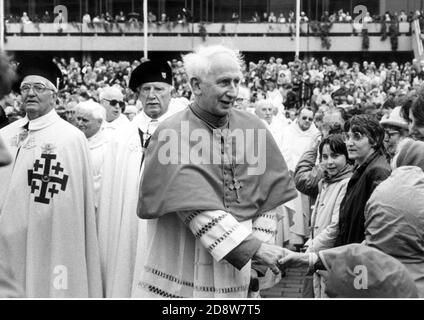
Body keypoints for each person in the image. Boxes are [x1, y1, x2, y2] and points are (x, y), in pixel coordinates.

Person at [136, 45, 297, 298]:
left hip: (244, 269)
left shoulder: (254, 127)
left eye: (237, 81)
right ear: (196, 85)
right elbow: (193, 207)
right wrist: (253, 249)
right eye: (224, 82)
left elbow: (268, 199)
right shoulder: (172, 133)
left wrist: (257, 261)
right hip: (188, 259)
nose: (233, 92)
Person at [0, 57, 102, 297]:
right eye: (25, 88)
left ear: (55, 96)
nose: (31, 93)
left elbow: (77, 202)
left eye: (39, 87)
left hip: (53, 238)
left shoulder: (70, 138)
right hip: (8, 238)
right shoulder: (5, 135)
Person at [97, 60, 185, 297]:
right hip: (128, 225)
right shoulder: (122, 135)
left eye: (159, 89)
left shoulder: (186, 132)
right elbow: (110, 195)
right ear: (138, 94)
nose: (152, 96)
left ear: (171, 91)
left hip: (167, 224)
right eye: (146, 89)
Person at [304, 134, 352, 297]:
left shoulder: (346, 183)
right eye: (324, 157)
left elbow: (335, 226)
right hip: (319, 252)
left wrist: (312, 247)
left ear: (346, 157)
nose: (329, 162)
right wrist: (311, 240)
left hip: (330, 254)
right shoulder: (325, 181)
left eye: (335, 155)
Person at [335, 115, 391, 246]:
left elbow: (378, 225)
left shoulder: (378, 171)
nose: (349, 143)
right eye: (348, 137)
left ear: (375, 140)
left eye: (357, 136)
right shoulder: (361, 168)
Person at [280, 106, 320, 247]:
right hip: (291, 175)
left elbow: (317, 156)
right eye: (304, 118)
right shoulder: (287, 132)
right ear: (298, 118)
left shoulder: (316, 134)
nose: (307, 121)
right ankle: (293, 238)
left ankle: (307, 238)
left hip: (308, 175)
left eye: (310, 119)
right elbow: (284, 152)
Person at [74, 100, 110, 208]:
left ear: (99, 122)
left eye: (85, 120)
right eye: (78, 119)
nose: (80, 124)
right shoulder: (73, 140)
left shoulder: (108, 146)